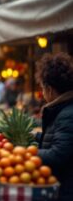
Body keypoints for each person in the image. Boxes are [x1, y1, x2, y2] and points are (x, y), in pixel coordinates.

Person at [35, 53, 73, 201]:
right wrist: (35, 136)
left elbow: (58, 154)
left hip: (66, 190)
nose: (43, 93)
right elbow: (62, 138)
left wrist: (24, 153)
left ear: (49, 89)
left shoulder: (67, 114)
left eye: (42, 88)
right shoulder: (64, 109)